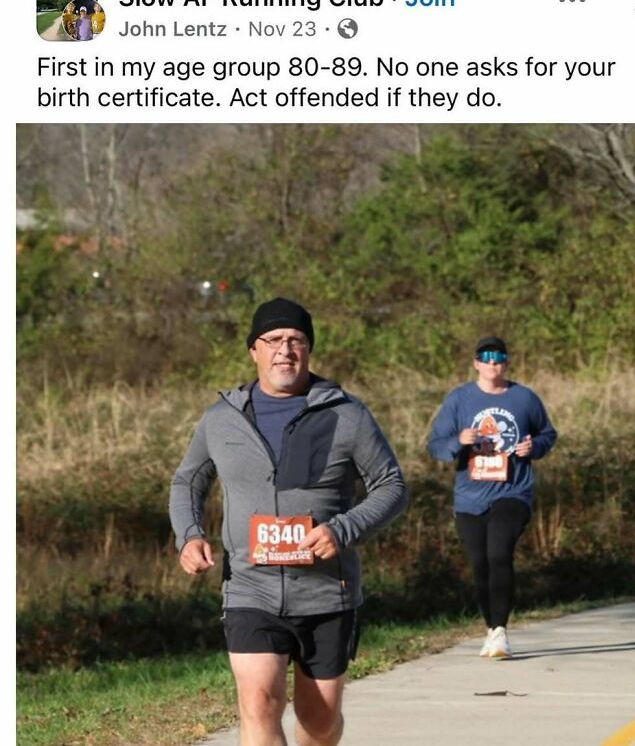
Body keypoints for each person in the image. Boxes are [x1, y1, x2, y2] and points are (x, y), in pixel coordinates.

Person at [170, 297, 408, 746]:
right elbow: (187, 482)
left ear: (309, 350)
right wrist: (189, 535)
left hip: (325, 593)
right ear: (253, 350)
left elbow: (392, 486)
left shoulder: (347, 414)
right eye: (274, 339)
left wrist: (342, 529)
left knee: (318, 721)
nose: (285, 349)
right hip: (249, 587)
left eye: (296, 340)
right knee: (259, 704)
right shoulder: (221, 418)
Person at [427, 336, 556, 660]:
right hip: (470, 495)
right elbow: (436, 445)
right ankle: (491, 628)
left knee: (499, 552)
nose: (493, 363)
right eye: (486, 358)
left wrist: (534, 447)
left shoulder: (524, 398)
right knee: (480, 562)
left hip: (513, 490)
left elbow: (547, 434)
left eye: (499, 357)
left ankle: (500, 631)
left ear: (506, 362)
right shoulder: (459, 399)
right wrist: (460, 439)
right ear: (476, 364)